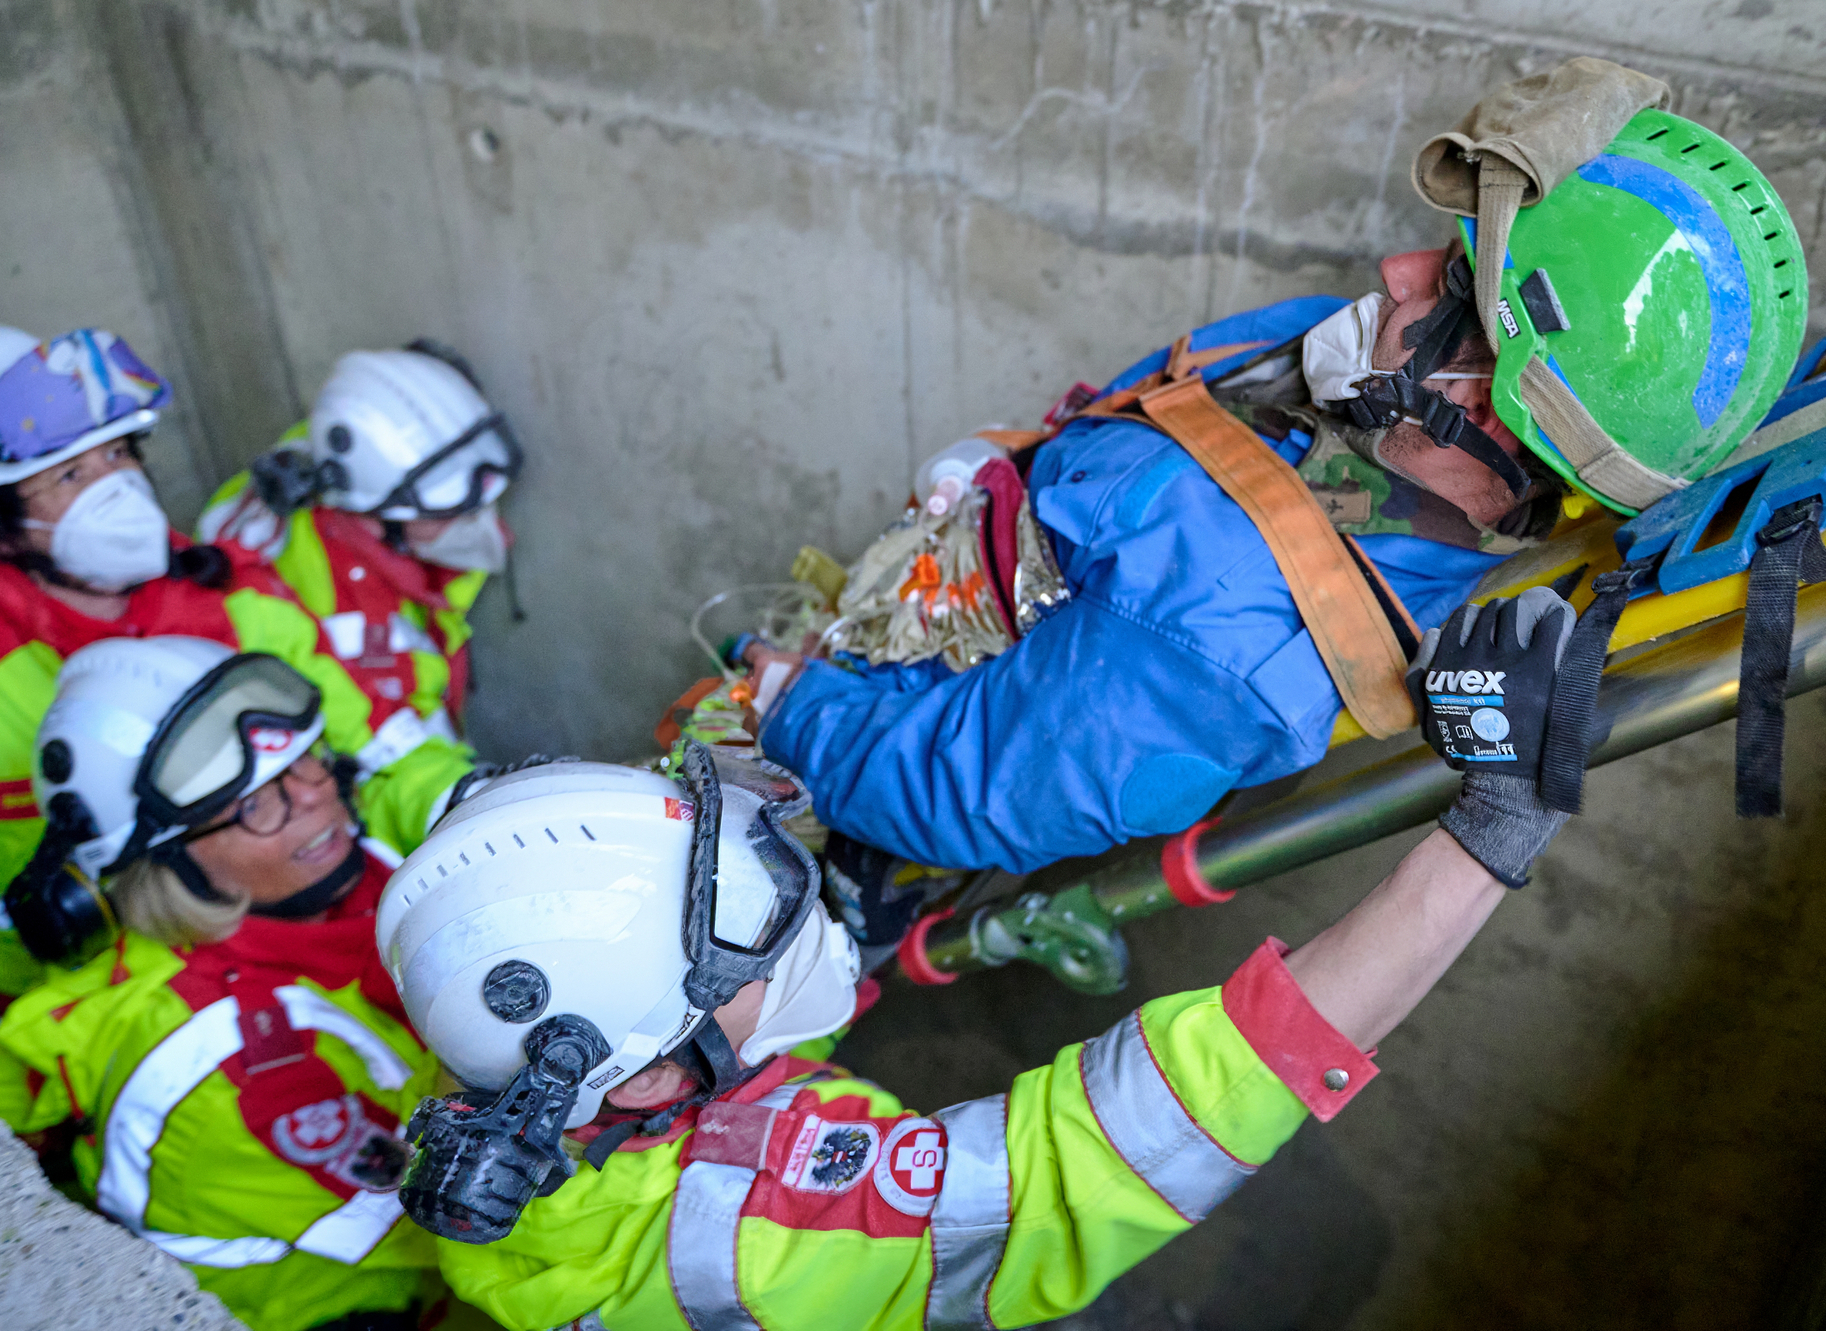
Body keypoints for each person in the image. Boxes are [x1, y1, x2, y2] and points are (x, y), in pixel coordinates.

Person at [378, 579, 1583, 1331]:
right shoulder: (763, 1231)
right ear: (648, 1075)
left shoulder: (498, 1093)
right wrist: (1488, 835)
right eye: (738, 946)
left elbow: (701, 1032)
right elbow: (1125, 1136)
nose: (777, 931)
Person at [738, 59, 1808, 875]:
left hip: (859, 742)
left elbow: (968, 787)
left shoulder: (1224, 647)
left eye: (1443, 280)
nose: (1392, 270)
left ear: (1490, 399)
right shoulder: (1350, 368)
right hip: (914, 594)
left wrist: (793, 711)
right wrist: (1000, 464)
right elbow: (1166, 403)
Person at [0, 327, 474, 994]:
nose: (117, 488)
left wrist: (470, 805)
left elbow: (382, 752)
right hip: (129, 989)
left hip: (320, 925)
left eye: (117, 453)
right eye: (72, 474)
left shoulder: (231, 595)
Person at [0, 637, 442, 1331]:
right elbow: (464, 1219)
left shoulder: (326, 876)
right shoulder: (229, 1074)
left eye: (304, 759)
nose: (315, 794)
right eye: (256, 801)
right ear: (164, 864)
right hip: (363, 1305)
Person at [198, 341, 521, 760]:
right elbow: (396, 762)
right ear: (377, 514)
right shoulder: (344, 616)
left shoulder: (342, 461)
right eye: (448, 513)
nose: (489, 530)